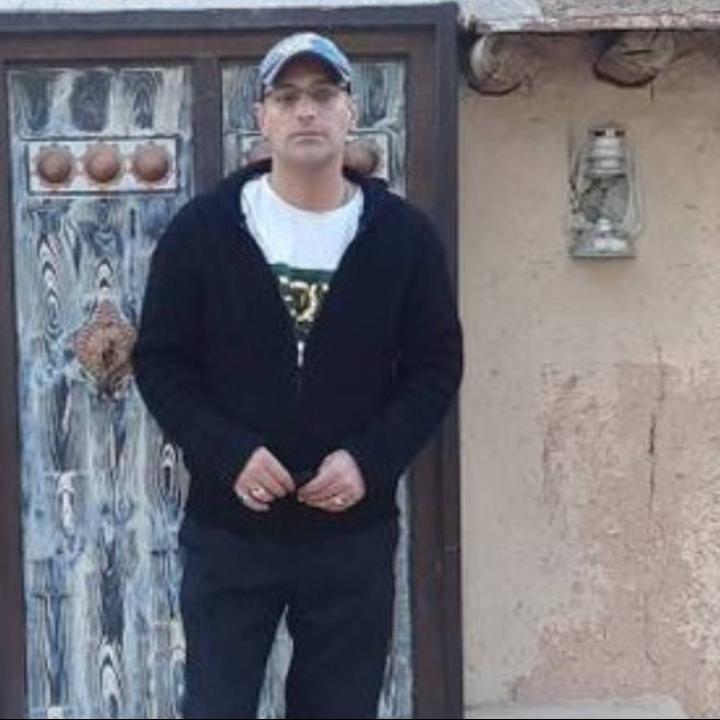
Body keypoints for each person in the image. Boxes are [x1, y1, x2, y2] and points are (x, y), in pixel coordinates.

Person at [132, 31, 463, 720]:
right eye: (286, 97)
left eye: (322, 94)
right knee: (216, 707)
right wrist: (228, 452)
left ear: (350, 111)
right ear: (263, 118)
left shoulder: (403, 237)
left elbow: (435, 367)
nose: (306, 110)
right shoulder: (204, 231)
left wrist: (369, 460)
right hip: (231, 533)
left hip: (351, 538)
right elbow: (161, 361)